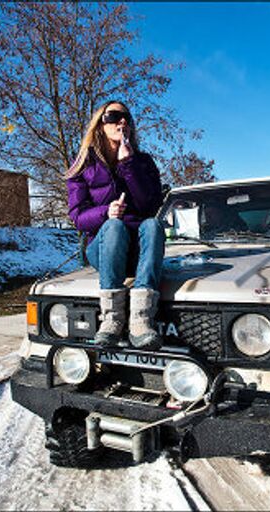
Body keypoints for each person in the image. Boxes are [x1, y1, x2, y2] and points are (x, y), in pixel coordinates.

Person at [65, 101, 165, 349]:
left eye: (127, 118)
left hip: (137, 252)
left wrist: (128, 165)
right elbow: (77, 216)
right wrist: (105, 213)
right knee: (114, 227)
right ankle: (111, 320)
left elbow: (150, 207)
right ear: (100, 124)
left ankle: (141, 321)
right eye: (114, 116)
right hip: (103, 248)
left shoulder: (143, 162)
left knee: (153, 225)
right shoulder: (83, 164)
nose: (122, 122)